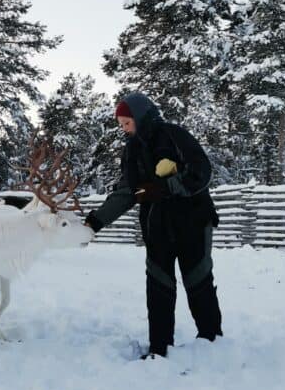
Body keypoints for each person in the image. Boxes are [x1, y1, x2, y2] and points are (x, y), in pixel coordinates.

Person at [84, 92, 223, 358]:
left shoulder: (174, 135)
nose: (124, 129)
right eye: (121, 124)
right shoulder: (132, 150)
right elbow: (128, 191)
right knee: (158, 286)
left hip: (193, 221)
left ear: (140, 116)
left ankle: (212, 341)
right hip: (158, 227)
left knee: (198, 281)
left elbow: (201, 171)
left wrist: (167, 187)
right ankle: (160, 347)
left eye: (127, 122)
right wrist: (95, 221)